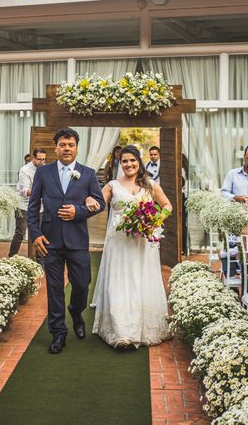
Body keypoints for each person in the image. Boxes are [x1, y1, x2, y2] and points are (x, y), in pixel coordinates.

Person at [27, 128, 105, 354]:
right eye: (63, 145)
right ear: (56, 148)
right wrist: (35, 235)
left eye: (71, 145)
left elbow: (100, 203)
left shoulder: (88, 173)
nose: (67, 148)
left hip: (77, 240)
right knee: (54, 289)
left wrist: (79, 211)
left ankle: (76, 311)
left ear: (77, 148)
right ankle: (58, 333)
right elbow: (33, 208)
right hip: (49, 241)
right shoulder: (43, 172)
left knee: (82, 284)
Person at [92, 145, 172, 348]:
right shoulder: (112, 185)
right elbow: (97, 204)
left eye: (132, 160)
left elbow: (167, 206)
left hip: (142, 245)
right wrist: (87, 200)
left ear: (139, 162)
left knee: (141, 281)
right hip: (119, 244)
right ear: (120, 163)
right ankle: (121, 332)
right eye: (124, 161)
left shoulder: (150, 185)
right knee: (119, 282)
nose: (129, 164)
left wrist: (154, 221)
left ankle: (144, 326)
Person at [10, 148, 46, 257]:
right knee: (20, 233)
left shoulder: (45, 169)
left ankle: (40, 262)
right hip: (23, 206)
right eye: (39, 159)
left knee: (39, 235)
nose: (42, 162)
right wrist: (43, 191)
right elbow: (26, 191)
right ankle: (11, 257)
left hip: (39, 207)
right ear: (33, 158)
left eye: (43, 160)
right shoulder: (25, 170)